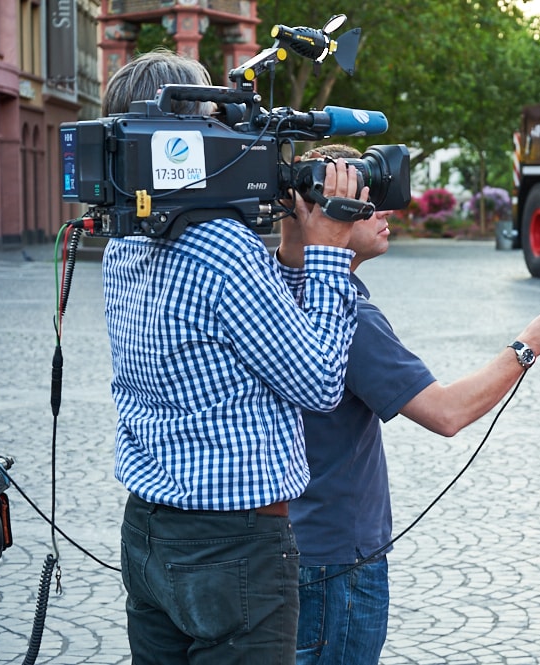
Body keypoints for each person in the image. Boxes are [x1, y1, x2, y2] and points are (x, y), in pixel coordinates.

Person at [102, 50, 364, 665]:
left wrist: (289, 253)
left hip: (148, 530)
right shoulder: (220, 244)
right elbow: (321, 383)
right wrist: (327, 253)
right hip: (235, 545)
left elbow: (244, 337)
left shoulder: (126, 239)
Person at [286, 144, 540, 665]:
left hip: (286, 547)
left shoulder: (264, 291)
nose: (386, 212)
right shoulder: (348, 317)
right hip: (338, 561)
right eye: (366, 199)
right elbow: (446, 412)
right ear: (319, 208)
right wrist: (527, 345)